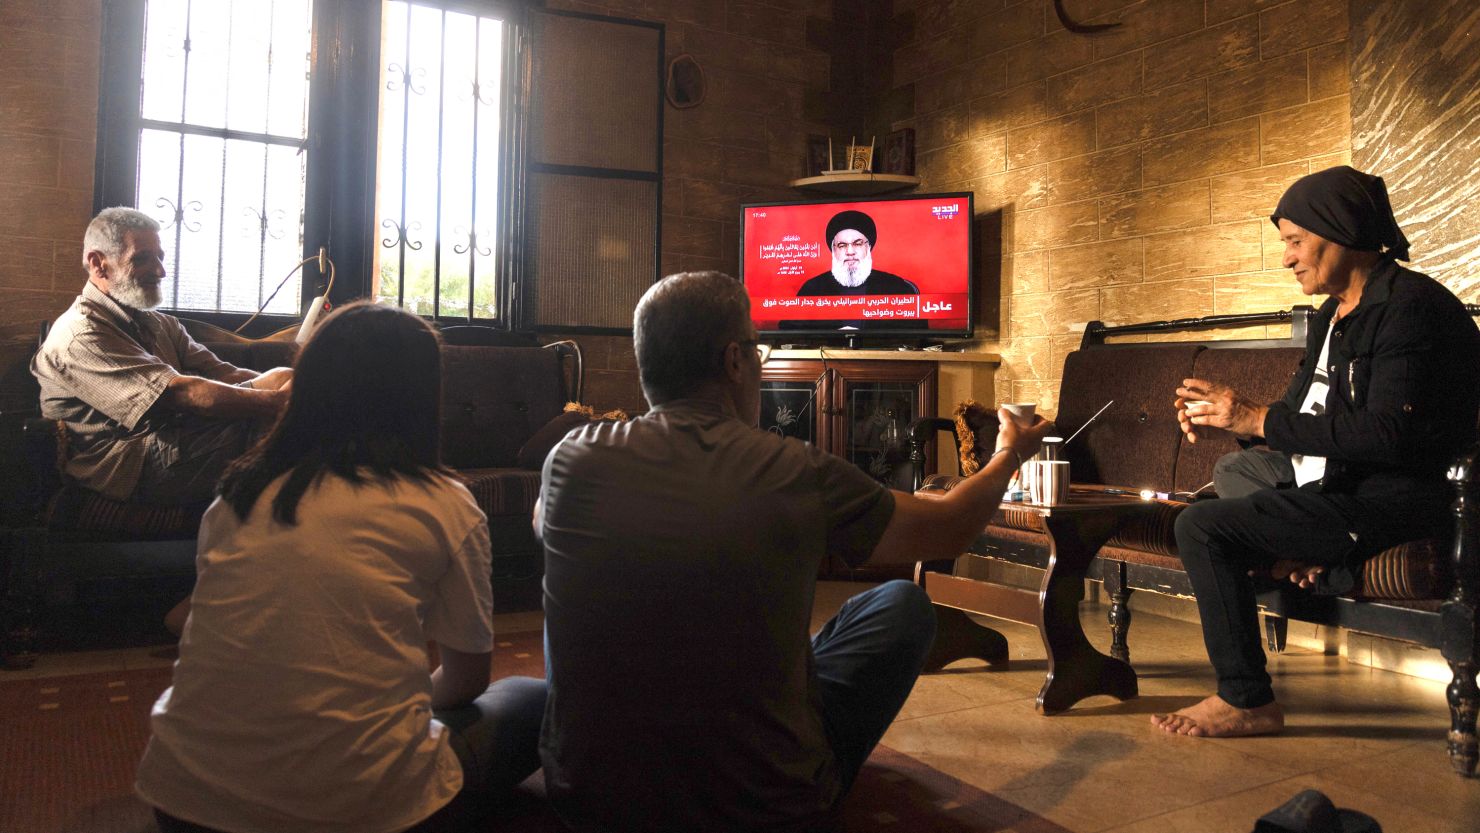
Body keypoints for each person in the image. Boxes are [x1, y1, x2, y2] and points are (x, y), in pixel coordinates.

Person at [536, 271, 1053, 832]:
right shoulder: (797, 472)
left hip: (590, 799)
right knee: (903, 606)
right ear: (735, 361)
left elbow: (547, 526)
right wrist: (1008, 454)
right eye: (757, 349)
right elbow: (948, 529)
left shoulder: (570, 461)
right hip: (765, 807)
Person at [135, 302, 547, 833]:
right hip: (361, 809)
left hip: (183, 802)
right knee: (530, 699)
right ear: (422, 397)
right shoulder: (445, 503)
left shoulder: (237, 495)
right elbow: (467, 678)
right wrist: (378, 709)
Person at [1152, 166, 1480, 738]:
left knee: (1201, 528)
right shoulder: (1332, 315)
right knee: (1236, 466)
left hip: (1390, 496)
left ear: (1343, 231)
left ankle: (1247, 698)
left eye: (1295, 241)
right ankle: (1311, 553)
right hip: (1333, 481)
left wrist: (1258, 417)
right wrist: (1234, 419)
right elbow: (1298, 419)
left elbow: (1387, 437)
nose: (1287, 258)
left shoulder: (1410, 309)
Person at [31, 207, 292, 508]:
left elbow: (228, 375)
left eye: (160, 257)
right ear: (98, 264)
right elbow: (183, 393)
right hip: (129, 464)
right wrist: (281, 404)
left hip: (179, 436)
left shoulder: (161, 324)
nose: (160, 271)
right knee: (276, 427)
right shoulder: (79, 334)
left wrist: (292, 384)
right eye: (141, 258)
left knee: (284, 378)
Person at [784, 210, 919, 331]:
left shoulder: (896, 287)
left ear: (869, 247)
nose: (850, 252)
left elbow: (916, 338)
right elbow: (789, 333)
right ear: (833, 250)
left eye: (858, 243)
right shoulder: (812, 289)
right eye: (842, 245)